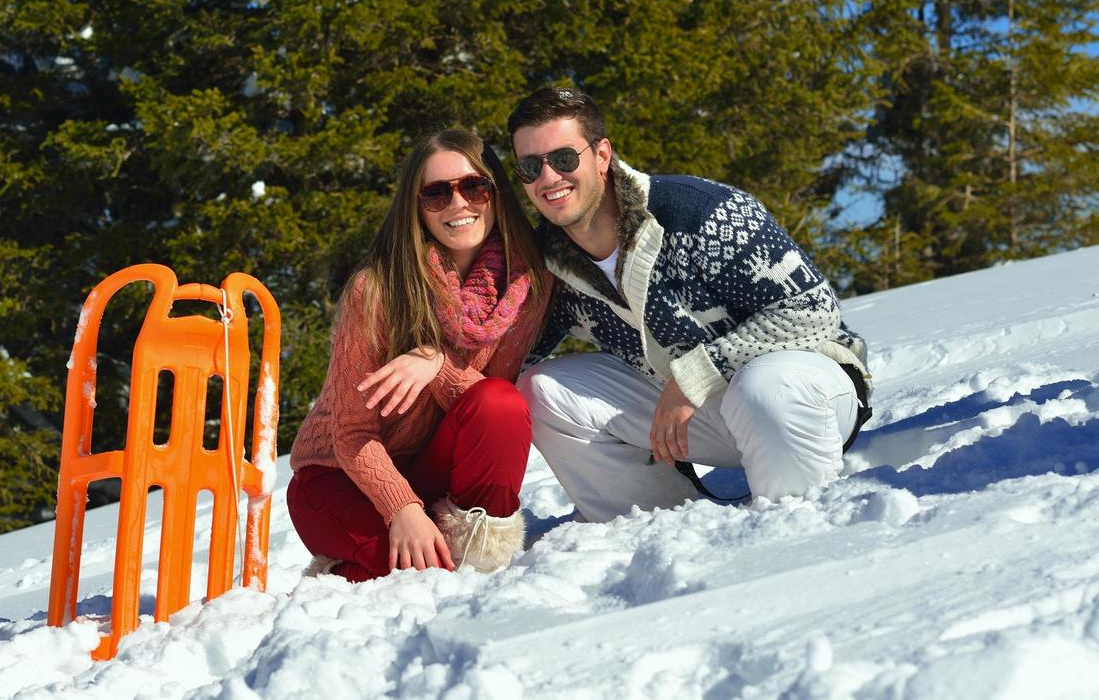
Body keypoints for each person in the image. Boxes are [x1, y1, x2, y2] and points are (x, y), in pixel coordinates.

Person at [507, 87, 871, 521]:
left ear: (602, 155)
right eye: (530, 167)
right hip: (692, 420)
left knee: (763, 387)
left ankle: (792, 530)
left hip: (801, 396)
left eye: (563, 158)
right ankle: (658, 526)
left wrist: (695, 374)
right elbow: (507, 359)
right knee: (541, 390)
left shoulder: (700, 212)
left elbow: (814, 311)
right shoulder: (545, 265)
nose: (548, 178)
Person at [286, 129, 551, 580]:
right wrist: (402, 509)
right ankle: (338, 572)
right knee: (413, 571)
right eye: (436, 193)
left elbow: (488, 407)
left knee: (501, 405)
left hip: (433, 468)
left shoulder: (526, 288)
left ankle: (481, 552)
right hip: (341, 476)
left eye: (473, 186)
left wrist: (436, 365)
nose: (458, 204)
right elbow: (351, 434)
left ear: (497, 192)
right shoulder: (378, 290)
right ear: (417, 208)